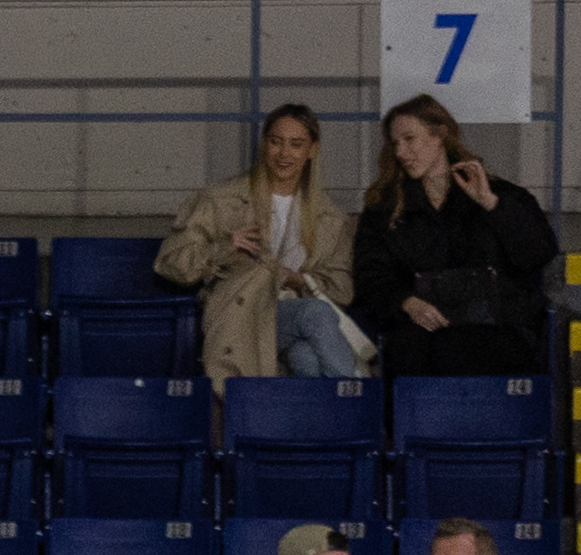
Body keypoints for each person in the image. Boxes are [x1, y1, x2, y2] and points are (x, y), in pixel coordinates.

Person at [158, 101, 368, 384]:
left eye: (296, 144)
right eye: (275, 142)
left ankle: (321, 422)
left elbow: (341, 289)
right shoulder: (222, 199)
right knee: (316, 314)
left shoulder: (330, 216)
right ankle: (355, 403)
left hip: (290, 316)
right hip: (240, 315)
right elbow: (171, 263)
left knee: (304, 356)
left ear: (312, 150)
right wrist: (226, 247)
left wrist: (298, 280)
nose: (284, 154)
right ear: (264, 144)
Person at [352, 93, 560, 378]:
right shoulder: (384, 212)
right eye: (395, 143)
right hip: (420, 328)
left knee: (454, 349)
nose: (401, 152)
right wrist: (406, 302)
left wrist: (491, 205)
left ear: (440, 136)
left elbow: (538, 253)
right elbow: (371, 276)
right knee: (408, 349)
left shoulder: (503, 196)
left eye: (409, 139)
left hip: (498, 326)